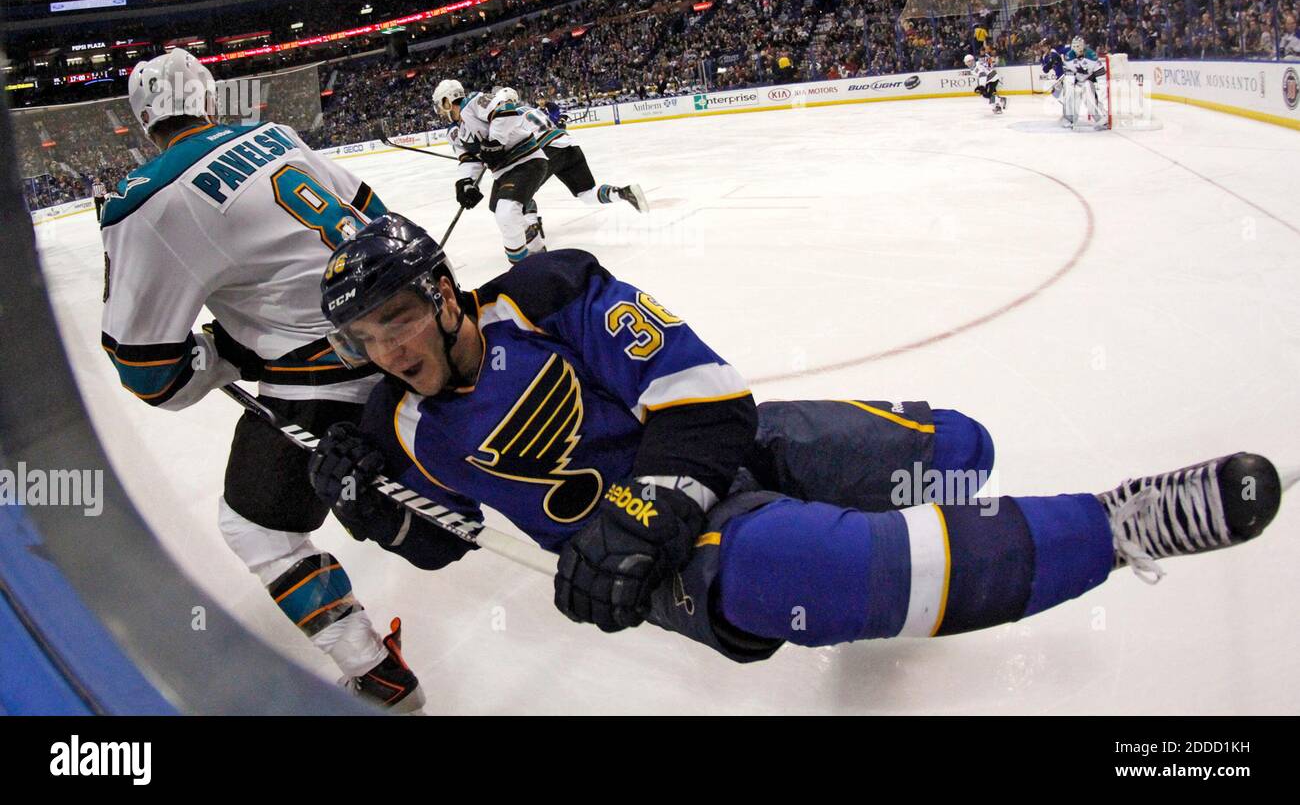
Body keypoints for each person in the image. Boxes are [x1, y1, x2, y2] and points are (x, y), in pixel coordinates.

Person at [307, 213, 1282, 661]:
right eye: (364, 338)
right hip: (666, 558)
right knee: (819, 572)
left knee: (962, 450)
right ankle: (1124, 525)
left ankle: (902, 511)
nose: (387, 350)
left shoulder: (544, 294)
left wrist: (645, 504)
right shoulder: (397, 426)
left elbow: (703, 397)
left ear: (445, 294)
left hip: (728, 454)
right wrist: (367, 507)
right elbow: (442, 541)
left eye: (398, 318)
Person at [99, 48, 423, 710]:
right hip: (421, 330)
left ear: (142, 119)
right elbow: (378, 216)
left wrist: (224, 351)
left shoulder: (147, 197)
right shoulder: (275, 135)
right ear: (209, 99)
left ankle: (373, 671)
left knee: (255, 527)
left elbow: (151, 375)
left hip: (332, 377)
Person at [431, 79, 646, 265]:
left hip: (529, 157)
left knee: (510, 208)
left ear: (447, 101)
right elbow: (469, 158)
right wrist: (466, 182)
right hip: (559, 147)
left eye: (440, 105)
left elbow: (503, 114)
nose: (440, 112)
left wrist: (495, 142)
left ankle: (528, 249)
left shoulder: (474, 103)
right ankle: (536, 244)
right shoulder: (457, 131)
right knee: (500, 206)